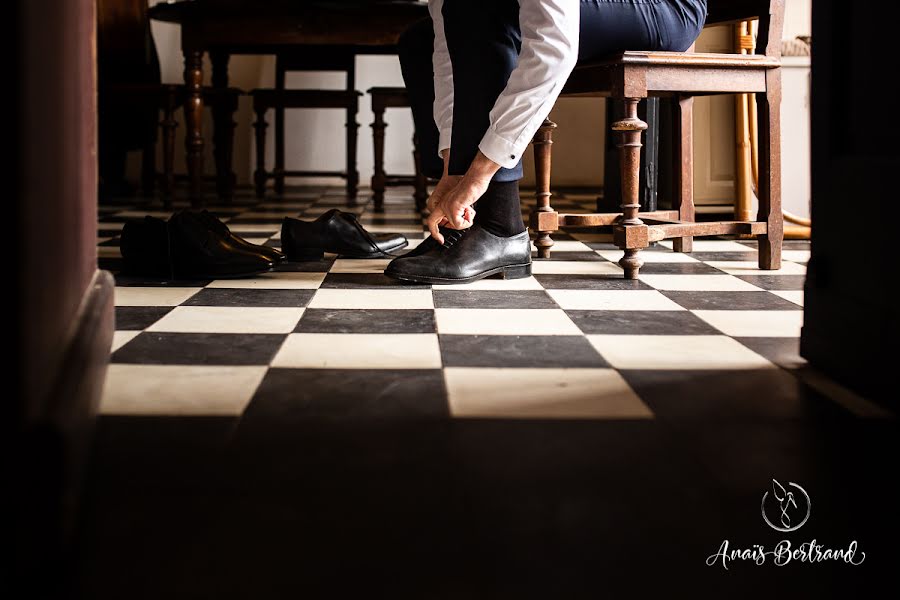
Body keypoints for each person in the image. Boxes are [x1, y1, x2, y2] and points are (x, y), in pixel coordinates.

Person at [385, 0, 708, 285]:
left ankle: (500, 226)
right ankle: (466, 226)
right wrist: (453, 169)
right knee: (422, 39)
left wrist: (479, 175)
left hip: (666, 7)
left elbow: (553, 46)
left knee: (489, 10)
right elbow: (445, 46)